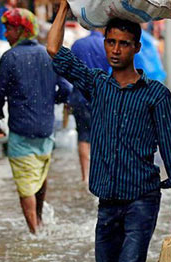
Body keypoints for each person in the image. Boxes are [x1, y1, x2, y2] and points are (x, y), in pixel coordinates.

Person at [47, 0, 171, 262]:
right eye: (110, 42)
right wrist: (66, 7)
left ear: (136, 48)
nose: (115, 49)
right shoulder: (98, 84)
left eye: (123, 44)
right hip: (108, 198)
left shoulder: (155, 95)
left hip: (142, 196)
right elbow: (54, 49)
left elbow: (168, 147)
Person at [0, 8, 71, 234]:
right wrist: (49, 100)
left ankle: (34, 233)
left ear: (22, 30)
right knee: (40, 174)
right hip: (46, 129)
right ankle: (41, 219)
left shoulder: (10, 58)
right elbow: (66, 89)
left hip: (21, 131)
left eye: (9, 28)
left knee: (26, 182)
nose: (5, 34)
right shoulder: (49, 54)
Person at [68, 27, 110, 184]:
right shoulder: (107, 45)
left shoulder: (78, 44)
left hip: (79, 96)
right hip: (101, 97)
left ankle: (85, 177)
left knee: (84, 136)